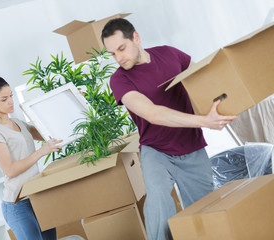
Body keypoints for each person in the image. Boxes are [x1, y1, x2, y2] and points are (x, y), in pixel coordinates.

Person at [101, 18, 237, 240]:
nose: (118, 58)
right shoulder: (119, 80)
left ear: (135, 37)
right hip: (156, 151)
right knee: (158, 201)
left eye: (121, 48)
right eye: (112, 54)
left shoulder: (170, 54)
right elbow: (152, 113)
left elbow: (204, 79)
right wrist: (204, 121)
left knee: (205, 212)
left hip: (191, 147)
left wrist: (224, 103)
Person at [0, 76, 62, 240]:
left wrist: (68, 103)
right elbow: (10, 170)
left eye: (11, 95)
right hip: (18, 203)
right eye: (4, 99)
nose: (11, 101)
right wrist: (41, 152)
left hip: (37, 196)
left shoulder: (18, 122)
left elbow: (48, 132)